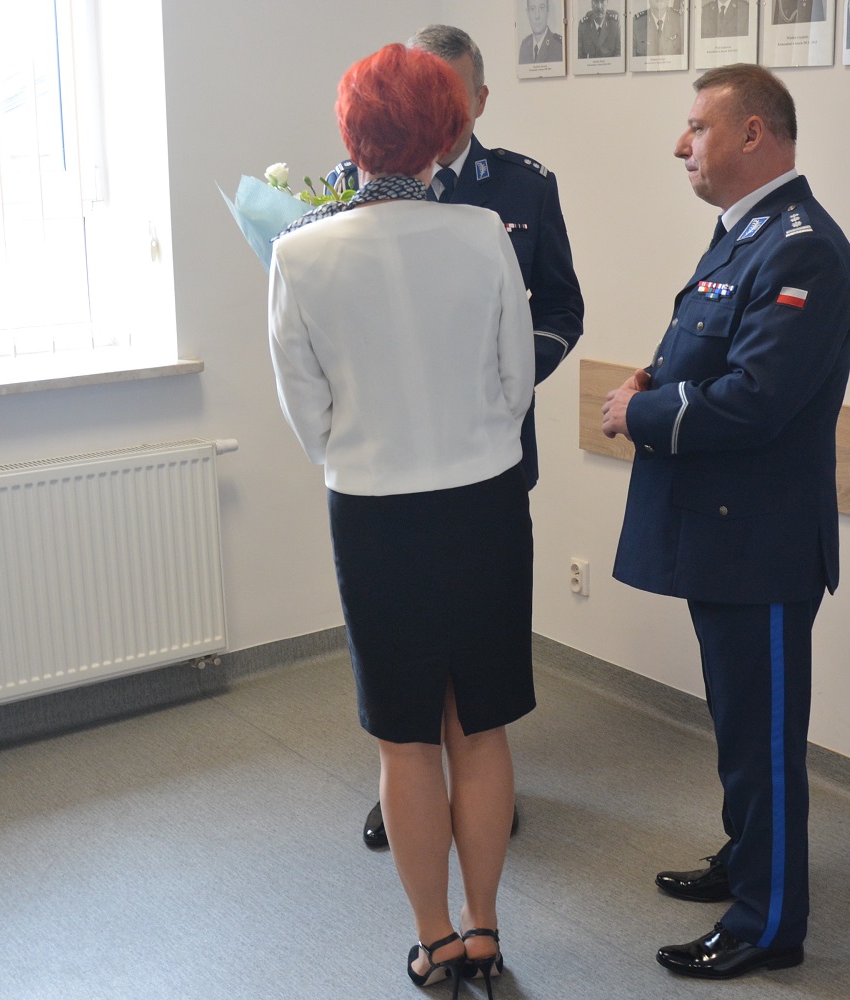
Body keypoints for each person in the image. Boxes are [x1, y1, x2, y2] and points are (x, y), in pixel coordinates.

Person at [270, 42, 536, 997]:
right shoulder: (485, 233)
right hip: (486, 505)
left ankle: (435, 943)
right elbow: (516, 382)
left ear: (352, 135)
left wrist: (368, 454)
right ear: (447, 130)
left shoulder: (299, 253)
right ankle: (486, 931)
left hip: (376, 516)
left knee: (405, 738)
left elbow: (305, 411)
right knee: (482, 727)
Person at [601, 64, 850, 979]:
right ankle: (750, 857)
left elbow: (756, 398)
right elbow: (707, 350)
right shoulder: (747, 235)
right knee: (740, 727)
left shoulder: (802, 248)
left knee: (764, 742)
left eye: (697, 127)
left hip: (763, 543)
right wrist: (651, 376)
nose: (681, 145)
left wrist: (639, 412)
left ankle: (767, 922)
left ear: (754, 133)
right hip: (726, 533)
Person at [329, 23, 584, 852]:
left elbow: (561, 306)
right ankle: (413, 786)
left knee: (477, 656)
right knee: (403, 651)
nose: (428, 107)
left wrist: (502, 382)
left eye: (445, 92)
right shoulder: (350, 185)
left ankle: (477, 789)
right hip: (389, 464)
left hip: (488, 454)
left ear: (478, 99)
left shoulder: (520, 188)